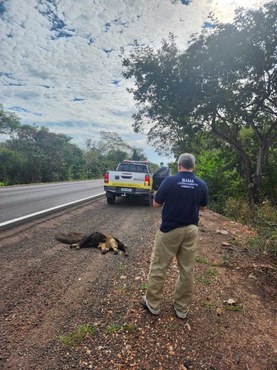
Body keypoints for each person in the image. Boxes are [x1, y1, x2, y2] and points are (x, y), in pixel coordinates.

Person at [141, 153, 208, 319]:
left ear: (179, 165)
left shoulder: (169, 181)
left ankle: (153, 304)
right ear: (193, 166)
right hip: (191, 230)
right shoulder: (201, 184)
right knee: (187, 269)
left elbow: (156, 204)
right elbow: (203, 208)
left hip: (170, 230)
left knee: (159, 266)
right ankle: (181, 309)